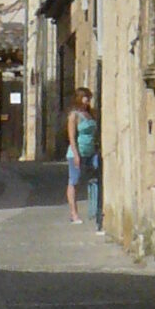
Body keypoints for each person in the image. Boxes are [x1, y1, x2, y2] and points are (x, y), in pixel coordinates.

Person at [65, 87, 100, 226]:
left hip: (91, 151)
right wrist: (76, 154)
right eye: (86, 97)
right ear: (80, 98)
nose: (88, 100)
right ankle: (74, 214)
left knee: (96, 178)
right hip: (77, 152)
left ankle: (95, 210)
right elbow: (72, 137)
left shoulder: (90, 114)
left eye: (89, 97)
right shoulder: (74, 116)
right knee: (74, 181)